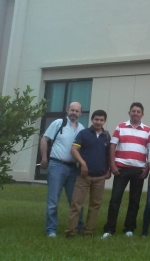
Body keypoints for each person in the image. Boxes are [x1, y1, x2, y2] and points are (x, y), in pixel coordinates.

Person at [102, 102, 150, 239]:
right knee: (115, 199)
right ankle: (109, 229)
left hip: (139, 171)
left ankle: (129, 228)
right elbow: (112, 146)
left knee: (134, 201)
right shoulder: (120, 126)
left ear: (142, 114)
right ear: (129, 113)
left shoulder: (147, 130)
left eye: (138, 111)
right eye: (133, 111)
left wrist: (147, 168)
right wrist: (112, 165)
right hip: (121, 169)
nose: (135, 113)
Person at [40, 101, 84, 238]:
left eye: (77, 111)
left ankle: (77, 227)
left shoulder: (82, 128)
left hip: (73, 169)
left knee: (75, 200)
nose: (74, 113)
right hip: (57, 166)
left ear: (80, 113)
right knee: (53, 200)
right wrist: (44, 158)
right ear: (67, 110)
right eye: (72, 110)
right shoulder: (58, 123)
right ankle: (51, 230)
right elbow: (44, 139)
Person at [65, 110, 111, 237]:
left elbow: (108, 155)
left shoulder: (106, 136)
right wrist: (83, 163)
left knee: (95, 205)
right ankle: (71, 231)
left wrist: (109, 170)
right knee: (76, 204)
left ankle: (88, 231)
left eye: (101, 120)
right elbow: (74, 150)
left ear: (104, 121)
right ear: (92, 120)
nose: (99, 122)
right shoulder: (83, 133)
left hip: (100, 177)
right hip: (83, 176)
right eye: (96, 119)